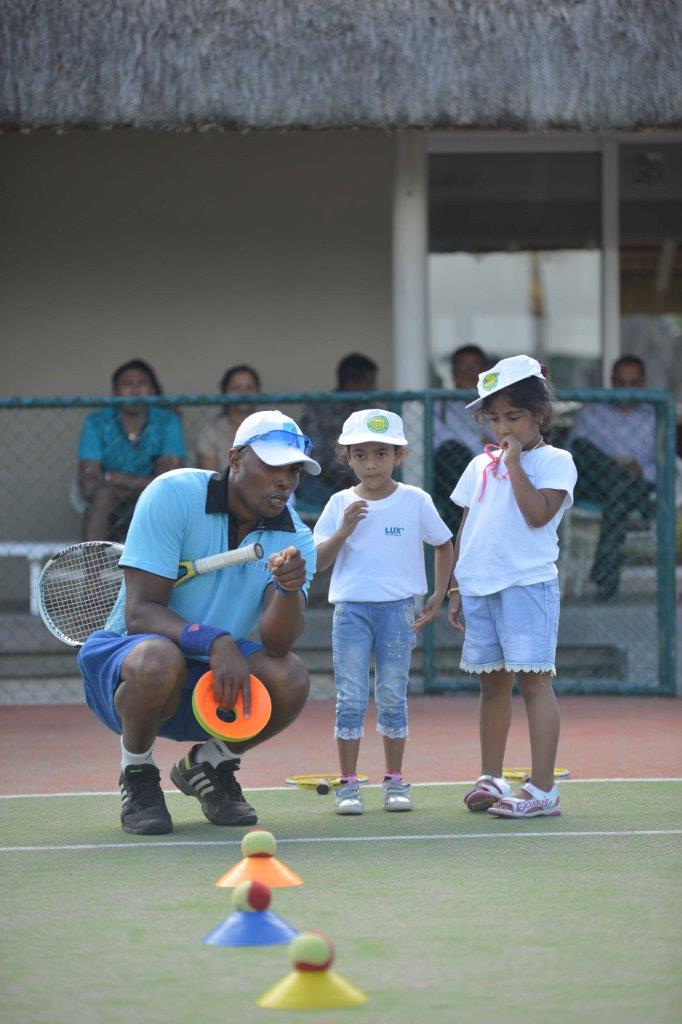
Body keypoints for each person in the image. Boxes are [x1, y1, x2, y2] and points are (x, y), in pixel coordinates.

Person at [76, 410, 320, 835]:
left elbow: (277, 644)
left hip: (213, 676)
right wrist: (214, 640)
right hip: (130, 658)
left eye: (294, 470)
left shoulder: (297, 537)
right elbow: (140, 613)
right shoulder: (172, 493)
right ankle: (137, 773)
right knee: (158, 658)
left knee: (291, 677)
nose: (285, 480)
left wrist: (286, 589)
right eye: (272, 466)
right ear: (236, 459)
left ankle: (209, 766)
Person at [447, 355, 576, 818]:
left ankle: (543, 790)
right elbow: (467, 526)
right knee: (492, 686)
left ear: (539, 415)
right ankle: (492, 776)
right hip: (481, 587)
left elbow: (538, 514)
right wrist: (457, 587)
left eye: (513, 416)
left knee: (534, 683)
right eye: (495, 417)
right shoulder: (478, 466)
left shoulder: (555, 460)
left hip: (527, 586)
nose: (502, 427)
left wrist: (516, 463)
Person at [313, 409, 454, 815]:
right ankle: (349, 785)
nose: (370, 464)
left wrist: (439, 592)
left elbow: (443, 543)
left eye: (380, 453)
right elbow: (319, 562)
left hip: (397, 610)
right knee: (350, 696)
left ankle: (394, 781)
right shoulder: (340, 502)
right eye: (360, 455)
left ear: (398, 455)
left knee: (393, 694)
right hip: (351, 611)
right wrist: (343, 530)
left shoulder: (415, 501)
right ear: (348, 457)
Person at [566, 355, 656, 600]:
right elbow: (575, 455)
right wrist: (610, 466)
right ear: (612, 382)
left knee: (617, 494)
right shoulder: (592, 411)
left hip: (632, 484)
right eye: (621, 383)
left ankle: (607, 583)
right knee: (584, 446)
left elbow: (667, 463)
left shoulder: (654, 415)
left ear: (643, 384)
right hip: (595, 483)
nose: (626, 390)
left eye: (633, 384)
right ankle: (642, 503)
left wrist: (642, 470)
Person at [76, 359, 186, 541]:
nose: (135, 391)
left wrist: (114, 477)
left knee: (160, 498)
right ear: (115, 392)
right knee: (103, 495)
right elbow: (88, 485)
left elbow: (169, 482)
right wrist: (145, 481)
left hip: (154, 497)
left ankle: (155, 568)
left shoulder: (167, 420)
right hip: (111, 498)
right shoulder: (96, 421)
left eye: (142, 383)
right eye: (127, 384)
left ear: (152, 391)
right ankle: (93, 569)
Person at [297, 353, 379, 510]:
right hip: (322, 480)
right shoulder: (317, 408)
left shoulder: (371, 412)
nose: (374, 388)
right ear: (351, 383)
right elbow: (314, 455)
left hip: (362, 476)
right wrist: (344, 476)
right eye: (370, 382)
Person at [433, 345, 492, 535]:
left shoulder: (496, 404)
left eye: (475, 367)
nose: (470, 374)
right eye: (462, 368)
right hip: (455, 472)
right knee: (452, 452)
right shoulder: (439, 404)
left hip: (489, 470)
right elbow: (440, 444)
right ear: (452, 372)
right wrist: (480, 441)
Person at [197, 364, 261, 471]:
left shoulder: (271, 427)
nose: (243, 393)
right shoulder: (211, 432)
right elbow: (212, 477)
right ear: (225, 391)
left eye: (249, 388)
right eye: (236, 388)